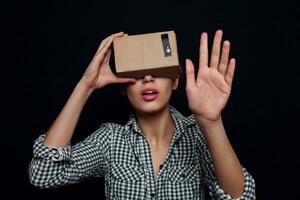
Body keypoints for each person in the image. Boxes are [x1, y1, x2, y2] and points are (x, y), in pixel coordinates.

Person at [29, 30, 256, 199]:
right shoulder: (110, 140)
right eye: (137, 73)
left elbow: (242, 198)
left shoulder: (197, 136)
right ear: (123, 87)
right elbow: (44, 174)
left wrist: (212, 122)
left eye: (158, 70)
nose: (147, 78)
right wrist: (85, 85)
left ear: (176, 80)